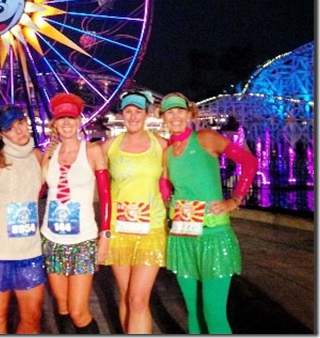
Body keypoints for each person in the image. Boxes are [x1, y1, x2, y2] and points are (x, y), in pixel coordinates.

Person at [158, 92, 258, 334]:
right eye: (169, 112)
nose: (175, 116)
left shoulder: (205, 138)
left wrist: (235, 199)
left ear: (189, 113)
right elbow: (164, 186)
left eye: (179, 110)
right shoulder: (167, 152)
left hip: (214, 235)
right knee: (192, 309)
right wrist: (163, 208)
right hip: (182, 236)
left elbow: (249, 161)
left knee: (213, 313)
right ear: (162, 117)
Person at [40, 92, 111, 334]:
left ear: (79, 121)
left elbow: (106, 196)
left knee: (79, 311)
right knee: (61, 306)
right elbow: (36, 190)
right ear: (55, 124)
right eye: (61, 119)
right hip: (52, 239)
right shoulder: (49, 153)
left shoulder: (92, 151)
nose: (67, 123)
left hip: (83, 241)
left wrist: (106, 236)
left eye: (71, 118)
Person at [100, 89, 169, 334]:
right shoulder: (109, 146)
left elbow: (179, 177)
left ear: (147, 114)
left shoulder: (161, 145)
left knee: (139, 299)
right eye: (128, 111)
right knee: (127, 296)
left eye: (137, 111)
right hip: (120, 230)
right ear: (122, 114)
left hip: (151, 229)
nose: (132, 116)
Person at [0, 105, 46, 334]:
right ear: (1, 133)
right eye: (11, 128)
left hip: (29, 251)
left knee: (33, 316)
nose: (19, 131)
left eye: (20, 124)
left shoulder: (38, 156)